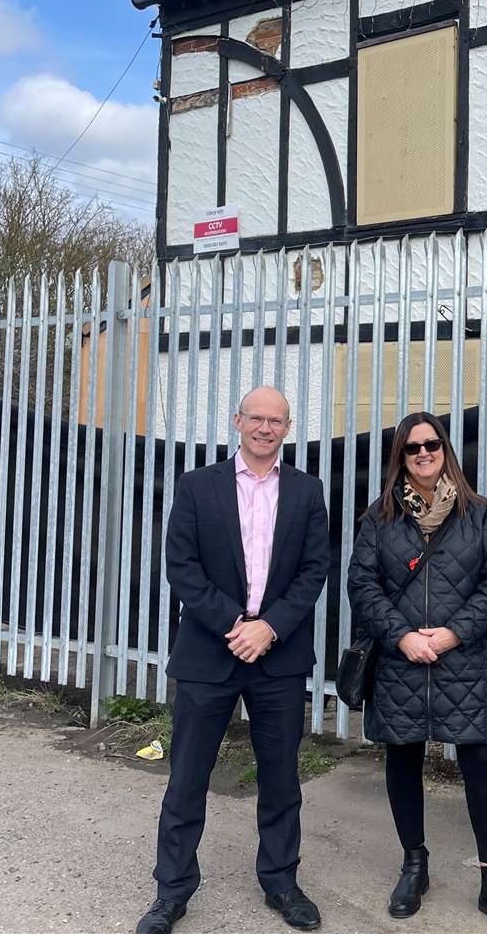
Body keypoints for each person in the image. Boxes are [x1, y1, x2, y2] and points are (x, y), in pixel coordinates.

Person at [136, 386, 330, 934]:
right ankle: (172, 891)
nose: (265, 429)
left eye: (276, 421)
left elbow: (315, 570)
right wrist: (234, 625)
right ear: (236, 421)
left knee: (281, 779)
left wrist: (269, 627)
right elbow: (183, 567)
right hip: (208, 652)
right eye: (256, 419)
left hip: (279, 655)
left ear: (287, 429)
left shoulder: (307, 491)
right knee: (187, 778)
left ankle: (281, 882)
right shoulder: (198, 487)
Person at [348, 412, 487, 934]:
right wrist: (402, 636)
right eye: (412, 448)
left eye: (432, 444)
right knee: (402, 759)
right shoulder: (378, 519)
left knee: (480, 764)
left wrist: (455, 632)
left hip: (464, 660)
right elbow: (362, 586)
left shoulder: (479, 515)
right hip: (400, 660)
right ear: (400, 458)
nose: (424, 454)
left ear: (445, 450)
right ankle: (414, 864)